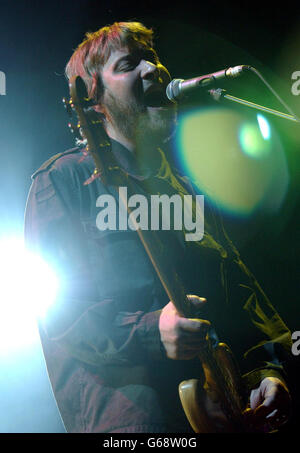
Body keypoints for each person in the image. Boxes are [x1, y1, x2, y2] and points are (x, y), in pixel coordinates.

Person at [24, 21, 293, 433]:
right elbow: (60, 314)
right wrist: (152, 331)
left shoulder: (188, 192)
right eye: (129, 63)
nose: (154, 70)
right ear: (93, 100)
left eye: (154, 58)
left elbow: (243, 300)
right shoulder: (63, 183)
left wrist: (267, 375)